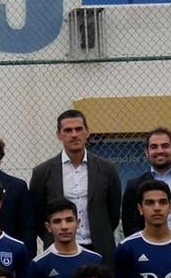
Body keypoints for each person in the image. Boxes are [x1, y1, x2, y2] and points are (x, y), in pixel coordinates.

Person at [30, 109, 123, 265]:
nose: (74, 134)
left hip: (99, 249)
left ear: (87, 132)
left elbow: (112, 213)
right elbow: (38, 213)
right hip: (59, 251)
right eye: (67, 130)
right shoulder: (42, 172)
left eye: (79, 129)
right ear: (59, 135)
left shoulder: (107, 169)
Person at [25, 198, 103, 278]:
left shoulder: (95, 260)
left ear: (78, 223)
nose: (64, 226)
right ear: (48, 227)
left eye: (69, 220)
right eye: (57, 221)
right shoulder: (39, 264)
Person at [120, 127, 171, 236]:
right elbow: (129, 225)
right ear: (147, 152)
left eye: (165, 146)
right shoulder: (134, 185)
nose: (160, 151)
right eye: (154, 147)